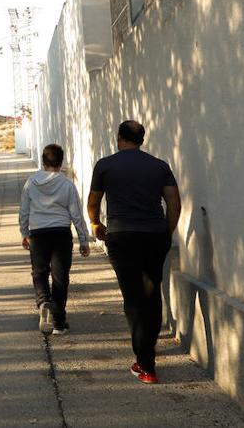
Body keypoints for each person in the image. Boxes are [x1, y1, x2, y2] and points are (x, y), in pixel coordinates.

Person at [87, 119, 182, 385]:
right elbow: (174, 203)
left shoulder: (105, 165)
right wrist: (167, 232)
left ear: (119, 137)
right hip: (154, 236)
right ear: (142, 139)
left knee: (132, 298)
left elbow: (93, 201)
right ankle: (146, 361)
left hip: (121, 237)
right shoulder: (160, 166)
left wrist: (96, 223)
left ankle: (145, 362)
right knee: (151, 297)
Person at [19, 143, 90, 336]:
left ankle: (43, 302)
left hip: (39, 234)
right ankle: (59, 322)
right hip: (61, 234)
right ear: (61, 162)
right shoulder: (67, 184)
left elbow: (24, 211)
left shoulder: (31, 182)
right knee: (60, 278)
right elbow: (76, 214)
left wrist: (24, 232)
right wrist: (84, 240)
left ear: (43, 161)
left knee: (39, 272)